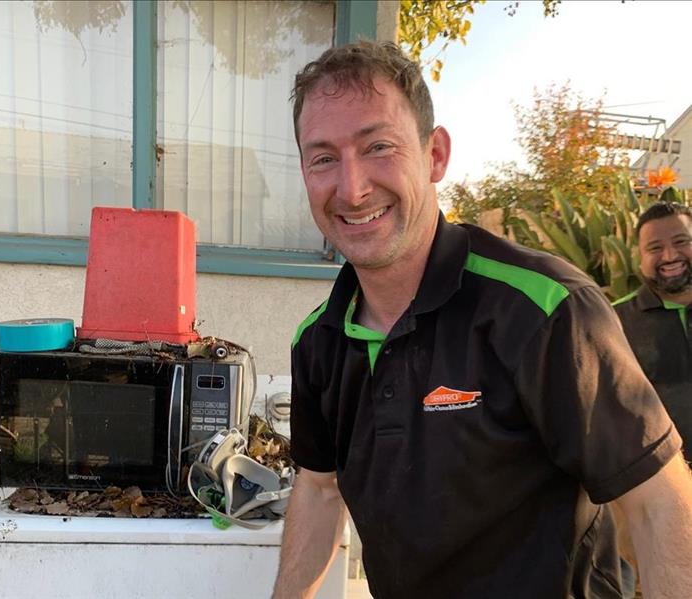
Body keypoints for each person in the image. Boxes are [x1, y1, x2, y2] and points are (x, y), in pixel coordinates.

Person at [273, 40, 692, 599]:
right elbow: (321, 489)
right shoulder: (318, 340)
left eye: (378, 146)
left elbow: (657, 500)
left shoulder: (544, 309)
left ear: (435, 155)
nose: (352, 188)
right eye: (323, 157)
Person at [613, 202, 691, 456]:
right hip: (664, 479)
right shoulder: (613, 321)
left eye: (681, 242)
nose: (670, 256)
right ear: (639, 257)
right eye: (655, 248)